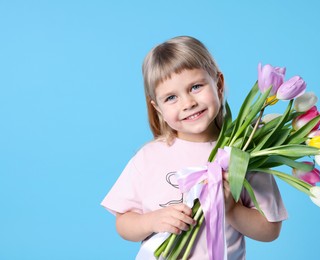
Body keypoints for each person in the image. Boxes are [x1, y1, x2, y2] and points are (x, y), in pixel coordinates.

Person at [101, 36, 288, 259]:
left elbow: (270, 230)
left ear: (218, 84)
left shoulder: (244, 154)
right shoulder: (148, 157)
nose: (188, 103)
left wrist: (231, 209)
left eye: (196, 87)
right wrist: (151, 220)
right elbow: (123, 223)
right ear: (157, 108)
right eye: (171, 97)